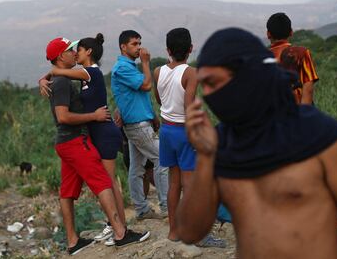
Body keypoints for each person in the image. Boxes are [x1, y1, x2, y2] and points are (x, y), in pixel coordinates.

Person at [176, 28, 337, 258]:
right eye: (204, 85)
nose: (207, 94)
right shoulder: (220, 146)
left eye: (214, 82)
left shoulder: (322, 136)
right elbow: (188, 231)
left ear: (247, 75)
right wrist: (205, 157)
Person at [42, 37, 150, 254]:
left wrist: (49, 74)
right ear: (61, 56)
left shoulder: (86, 74)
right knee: (103, 182)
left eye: (77, 49)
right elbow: (63, 115)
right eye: (71, 50)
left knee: (80, 188)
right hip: (77, 139)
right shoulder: (69, 78)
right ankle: (120, 232)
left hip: (96, 134)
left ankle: (88, 237)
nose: (74, 52)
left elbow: (61, 73)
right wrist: (48, 75)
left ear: (88, 52)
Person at [153, 27, 226, 248]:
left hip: (166, 131)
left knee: (174, 184)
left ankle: (174, 231)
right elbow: (189, 106)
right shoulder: (190, 73)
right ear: (191, 49)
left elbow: (159, 99)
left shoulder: (158, 71)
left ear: (168, 49)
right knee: (191, 185)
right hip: (184, 132)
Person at [111, 30, 169, 220]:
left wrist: (152, 114)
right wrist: (145, 62)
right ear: (123, 47)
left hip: (140, 122)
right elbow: (146, 86)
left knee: (136, 168)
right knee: (163, 158)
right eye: (134, 44)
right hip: (137, 125)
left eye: (139, 43)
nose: (139, 47)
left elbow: (137, 96)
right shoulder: (123, 68)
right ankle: (167, 207)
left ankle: (142, 209)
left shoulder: (129, 67)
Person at [267, 12, 319, 105]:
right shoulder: (302, 53)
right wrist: (304, 116)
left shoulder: (260, 57)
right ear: (291, 32)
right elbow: (308, 89)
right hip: (296, 112)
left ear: (268, 34)